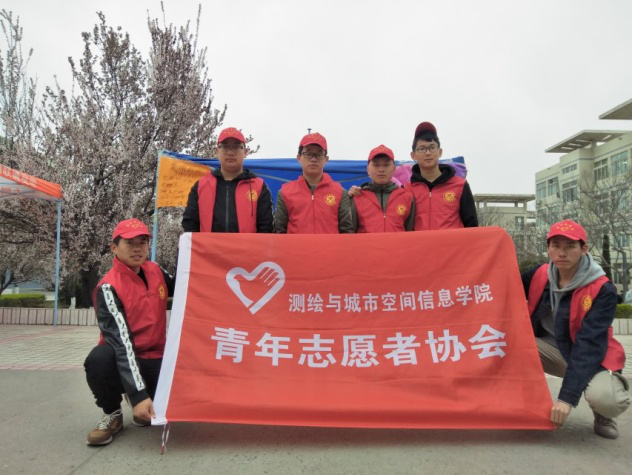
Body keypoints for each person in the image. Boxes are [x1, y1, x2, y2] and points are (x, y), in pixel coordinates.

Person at [522, 219, 630, 439]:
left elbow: (588, 345)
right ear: (548, 248)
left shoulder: (602, 289)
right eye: (556, 246)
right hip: (550, 350)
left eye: (570, 246)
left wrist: (566, 399)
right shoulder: (539, 275)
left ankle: (603, 414)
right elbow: (499, 285)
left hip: (592, 356)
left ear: (584, 249)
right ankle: (524, 407)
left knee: (607, 399)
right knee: (504, 344)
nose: (562, 253)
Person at [84, 218, 175, 446]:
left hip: (158, 357)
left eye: (142, 242)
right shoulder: (108, 287)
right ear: (114, 247)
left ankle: (143, 404)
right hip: (124, 358)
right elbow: (122, 344)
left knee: (155, 414)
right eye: (129, 243)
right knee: (98, 359)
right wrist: (138, 394)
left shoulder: (156, 270)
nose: (137, 249)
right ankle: (112, 413)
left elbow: (188, 286)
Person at [182, 127, 274, 233]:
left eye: (236, 147)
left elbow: (266, 228)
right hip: (209, 244)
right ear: (217, 151)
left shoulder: (259, 187)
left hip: (247, 245)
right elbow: (190, 225)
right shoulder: (201, 186)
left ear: (245, 152)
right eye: (225, 147)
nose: (230, 153)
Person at [274, 132, 353, 233]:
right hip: (295, 244)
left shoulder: (340, 192)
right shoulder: (285, 192)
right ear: (299, 158)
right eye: (308, 154)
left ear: (326, 159)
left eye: (319, 154)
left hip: (330, 244)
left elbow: (347, 231)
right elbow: (279, 232)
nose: (313, 159)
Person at [405, 121, 478, 230]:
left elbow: (472, 227)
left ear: (440, 152)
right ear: (413, 155)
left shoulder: (460, 186)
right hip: (419, 242)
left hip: (452, 242)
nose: (428, 153)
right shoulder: (406, 190)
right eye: (422, 149)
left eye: (432, 147)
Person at [349, 144, 415, 232]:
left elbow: (411, 233)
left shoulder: (407, 197)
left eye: (386, 165)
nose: (381, 170)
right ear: (368, 169)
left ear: (394, 169)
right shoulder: (356, 197)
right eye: (376, 165)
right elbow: (349, 232)